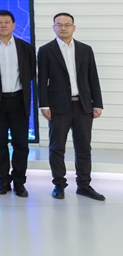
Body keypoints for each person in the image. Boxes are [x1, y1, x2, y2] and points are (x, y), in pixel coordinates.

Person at [38, 13, 105, 201]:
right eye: (59, 25)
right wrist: (44, 105)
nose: (63, 28)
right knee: (57, 147)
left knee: (84, 147)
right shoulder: (46, 50)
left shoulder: (85, 49)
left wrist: (97, 103)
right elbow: (42, 81)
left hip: (83, 105)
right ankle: (59, 185)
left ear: (73, 27)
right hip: (58, 107)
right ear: (53, 28)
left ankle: (84, 185)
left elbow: (93, 78)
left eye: (67, 25)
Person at [0, 10, 36, 198]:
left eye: (7, 22)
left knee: (21, 144)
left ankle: (19, 182)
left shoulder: (25, 47)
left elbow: (30, 73)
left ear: (13, 25)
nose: (3, 25)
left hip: (19, 101)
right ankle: (3, 180)